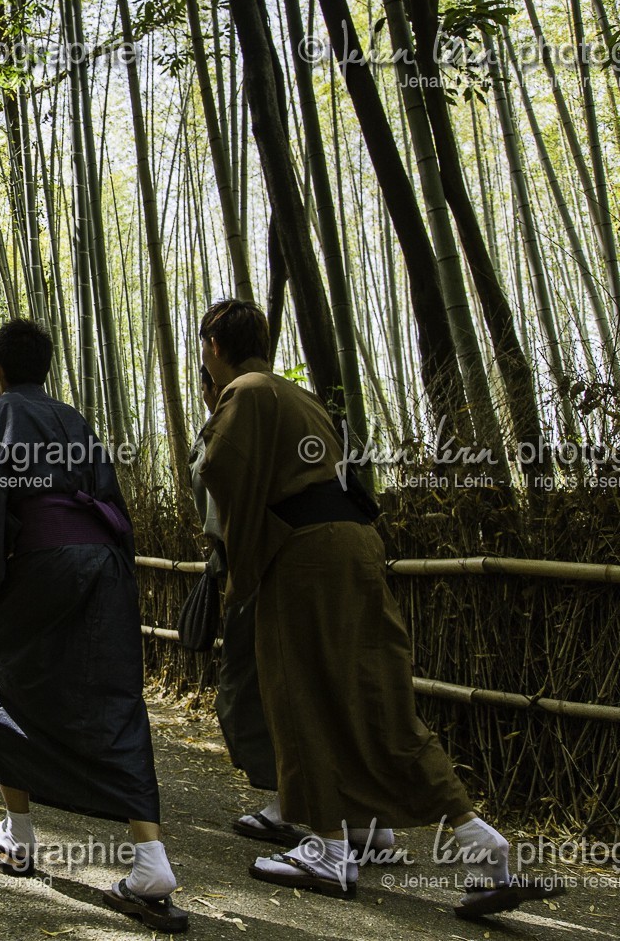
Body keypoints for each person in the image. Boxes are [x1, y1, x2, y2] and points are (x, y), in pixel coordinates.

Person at [195, 298, 538, 917]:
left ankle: (326, 846)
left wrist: (238, 567)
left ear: (214, 345)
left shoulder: (242, 391)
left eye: (203, 348)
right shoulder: (300, 398)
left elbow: (220, 470)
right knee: (376, 693)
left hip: (301, 555)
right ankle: (480, 841)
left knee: (295, 691)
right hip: (354, 545)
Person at [0, 319, 185, 933]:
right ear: (47, 370)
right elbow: (111, 502)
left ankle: (19, 835)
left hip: (40, 558)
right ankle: (150, 860)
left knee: (9, 681)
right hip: (104, 563)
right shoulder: (77, 422)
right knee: (113, 694)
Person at [191, 365, 307, 849]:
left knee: (251, 688)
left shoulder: (236, 410)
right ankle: (364, 820)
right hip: (309, 559)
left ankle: (290, 805)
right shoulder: (298, 404)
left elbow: (218, 504)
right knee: (316, 683)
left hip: (264, 564)